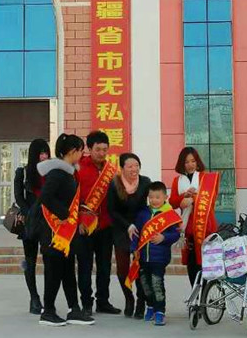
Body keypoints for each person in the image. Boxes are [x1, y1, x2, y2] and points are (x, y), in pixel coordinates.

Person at [36, 134, 95, 327]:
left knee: (68, 271)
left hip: (67, 234)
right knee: (54, 272)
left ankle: (74, 309)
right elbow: (45, 197)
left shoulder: (69, 173)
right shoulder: (57, 173)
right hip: (55, 234)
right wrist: (63, 214)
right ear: (72, 151)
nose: (82, 154)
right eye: (81, 151)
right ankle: (48, 311)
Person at [75, 131, 121, 316]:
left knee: (104, 266)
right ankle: (86, 303)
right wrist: (79, 221)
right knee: (85, 266)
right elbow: (73, 199)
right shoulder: (79, 168)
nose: (102, 153)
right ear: (89, 149)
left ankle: (103, 301)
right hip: (85, 226)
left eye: (105, 150)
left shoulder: (111, 170)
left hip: (106, 225)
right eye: (98, 149)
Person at [130, 182, 181, 326]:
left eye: (157, 197)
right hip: (143, 257)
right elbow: (136, 233)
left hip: (159, 258)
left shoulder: (170, 215)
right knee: (145, 284)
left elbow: (176, 234)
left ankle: (160, 311)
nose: (154, 200)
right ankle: (150, 306)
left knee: (157, 284)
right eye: (151, 197)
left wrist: (164, 238)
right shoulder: (143, 213)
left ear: (165, 197)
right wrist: (134, 248)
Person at [107, 152, 151, 318]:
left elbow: (151, 204)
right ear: (122, 168)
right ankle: (129, 298)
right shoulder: (114, 184)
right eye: (130, 166)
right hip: (121, 229)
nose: (134, 169)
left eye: (136, 166)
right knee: (123, 269)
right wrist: (127, 225)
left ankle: (141, 301)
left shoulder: (145, 182)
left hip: (140, 229)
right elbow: (112, 211)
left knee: (140, 266)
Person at [169, 147, 218, 287]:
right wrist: (183, 197)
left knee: (207, 265)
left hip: (205, 227)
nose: (190, 165)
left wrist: (193, 198)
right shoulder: (177, 181)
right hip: (187, 229)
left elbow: (211, 200)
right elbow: (172, 202)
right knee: (192, 266)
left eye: (193, 161)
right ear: (182, 164)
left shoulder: (205, 178)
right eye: (186, 162)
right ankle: (196, 295)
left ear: (197, 162)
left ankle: (205, 295)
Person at [13, 138, 50, 315]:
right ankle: (34, 298)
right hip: (30, 223)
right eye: (41, 153)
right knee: (30, 261)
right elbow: (19, 197)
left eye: (46, 153)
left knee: (50, 260)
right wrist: (29, 214)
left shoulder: (51, 172)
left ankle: (48, 299)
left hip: (48, 222)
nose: (44, 156)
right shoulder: (23, 172)